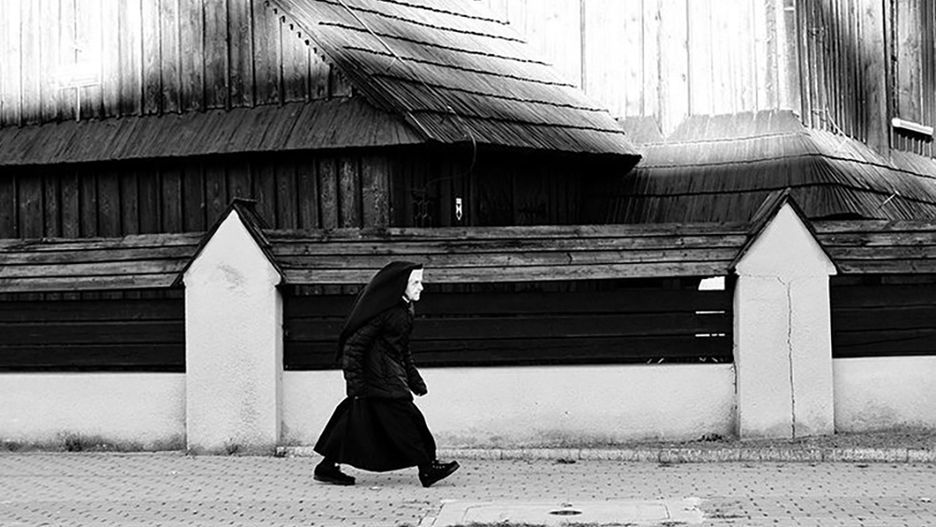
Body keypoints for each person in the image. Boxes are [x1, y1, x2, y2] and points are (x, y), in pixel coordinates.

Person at [313, 261, 459, 487]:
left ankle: (326, 467)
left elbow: (400, 349)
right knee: (409, 423)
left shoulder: (404, 310)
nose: (421, 287)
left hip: (384, 380)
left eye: (421, 282)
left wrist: (415, 380)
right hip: (380, 383)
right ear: (400, 285)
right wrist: (356, 385)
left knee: (352, 422)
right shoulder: (385, 313)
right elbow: (353, 347)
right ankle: (427, 468)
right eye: (415, 283)